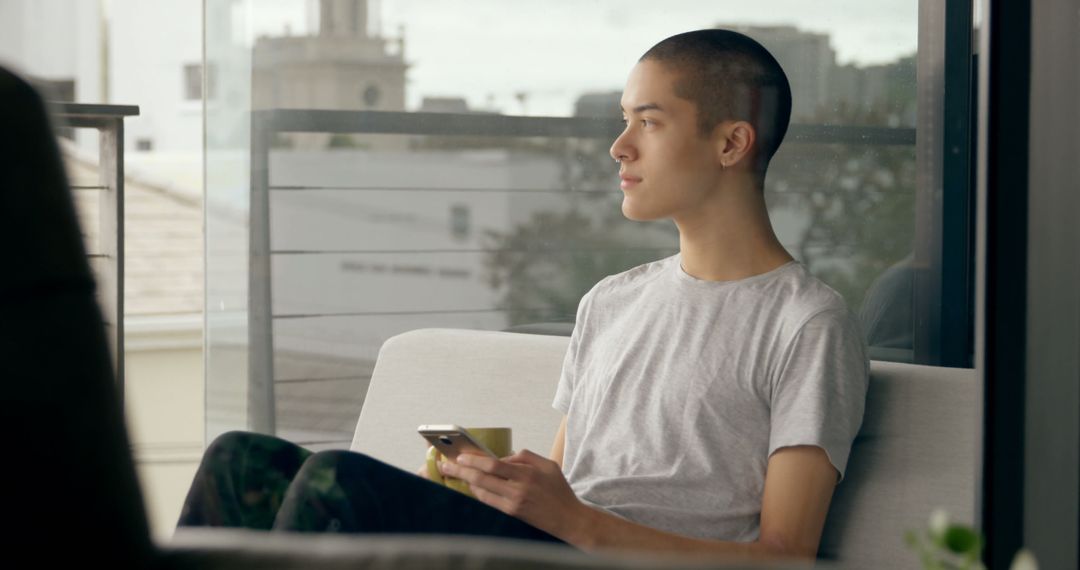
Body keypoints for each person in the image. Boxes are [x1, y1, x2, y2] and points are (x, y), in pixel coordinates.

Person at [179, 28, 868, 562]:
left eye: (648, 122)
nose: (618, 147)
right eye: (624, 119)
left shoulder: (806, 323)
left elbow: (785, 558)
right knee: (239, 460)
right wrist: (501, 488)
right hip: (550, 551)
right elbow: (571, 486)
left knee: (339, 480)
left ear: (731, 143)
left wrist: (573, 520)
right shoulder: (612, 300)